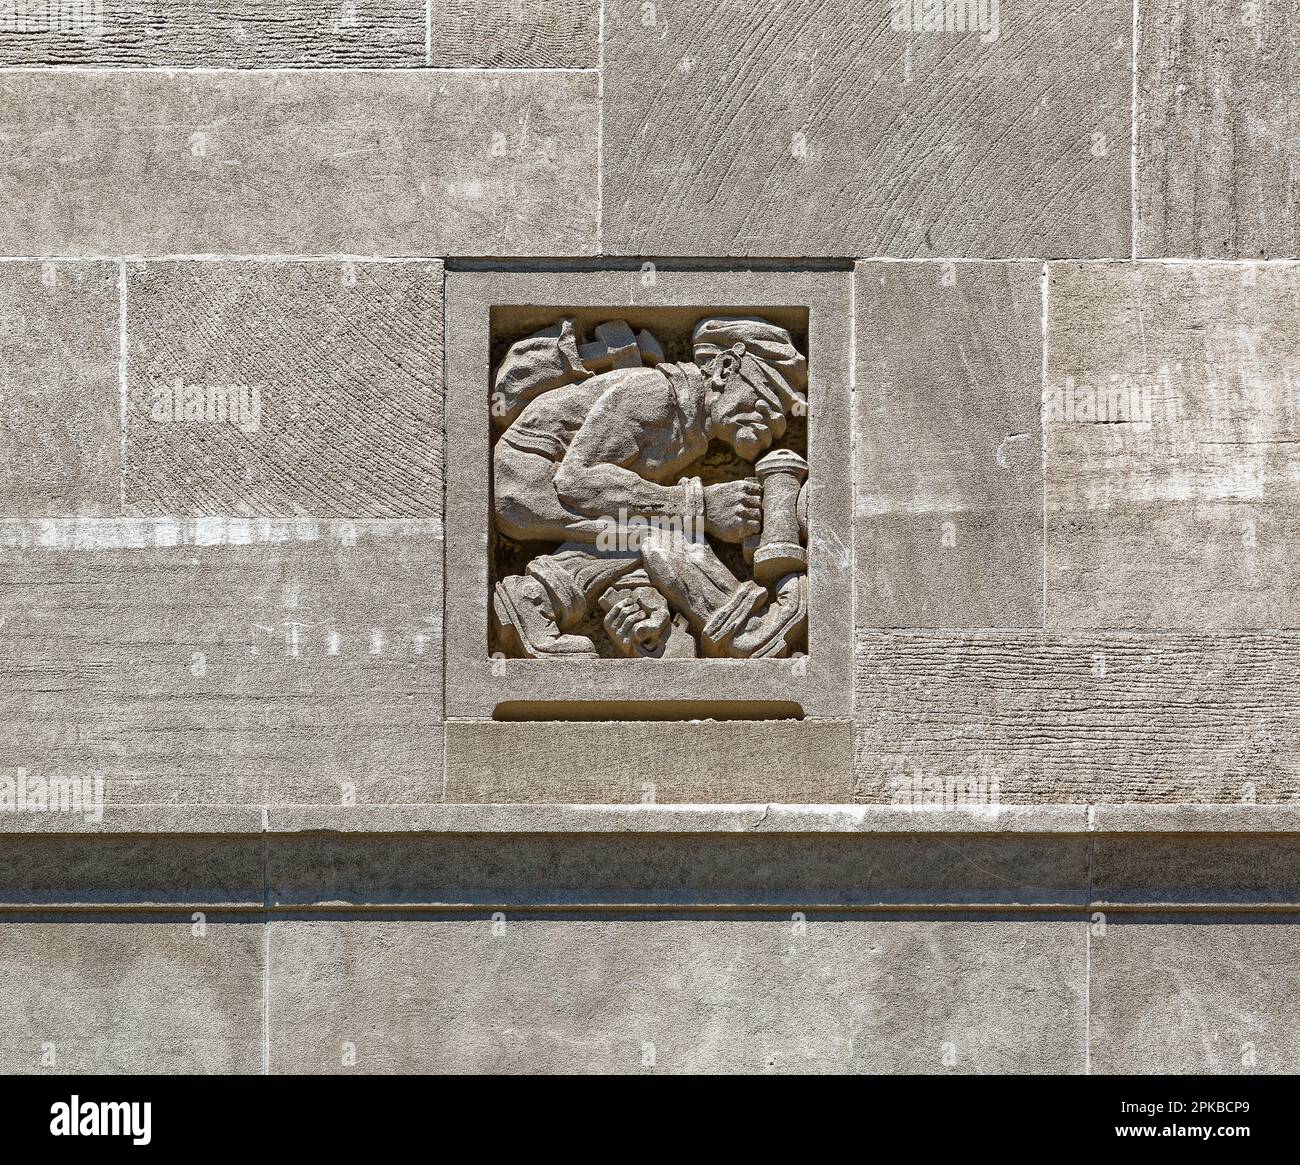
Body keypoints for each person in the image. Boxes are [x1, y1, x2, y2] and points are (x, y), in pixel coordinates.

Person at [492, 315, 808, 658]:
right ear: (725, 368)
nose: (774, 421)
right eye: (764, 397)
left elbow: (622, 500)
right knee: (659, 529)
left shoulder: (691, 429)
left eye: (781, 413)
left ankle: (533, 599)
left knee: (629, 533)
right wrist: (699, 505)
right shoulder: (655, 393)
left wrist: (642, 593)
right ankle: (745, 630)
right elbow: (577, 479)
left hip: (549, 487)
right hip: (525, 478)